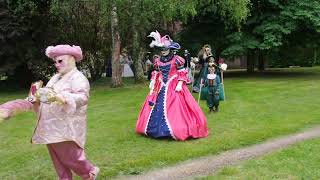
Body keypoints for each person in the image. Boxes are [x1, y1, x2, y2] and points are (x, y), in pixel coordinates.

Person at [30, 44, 99, 180]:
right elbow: (48, 96)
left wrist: (64, 97)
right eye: (55, 61)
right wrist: (36, 98)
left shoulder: (78, 78)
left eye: (60, 61)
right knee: (57, 158)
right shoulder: (55, 78)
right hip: (50, 126)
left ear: (72, 59)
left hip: (66, 127)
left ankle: (89, 172)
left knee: (71, 156)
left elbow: (83, 98)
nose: (56, 64)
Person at [136, 31, 208, 140]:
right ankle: (154, 129)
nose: (163, 51)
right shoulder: (157, 61)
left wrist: (179, 83)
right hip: (160, 86)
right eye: (161, 49)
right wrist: (153, 81)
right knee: (154, 106)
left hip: (174, 85)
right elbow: (156, 72)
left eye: (165, 49)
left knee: (176, 108)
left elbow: (182, 73)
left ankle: (175, 128)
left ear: (170, 49)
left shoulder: (177, 60)